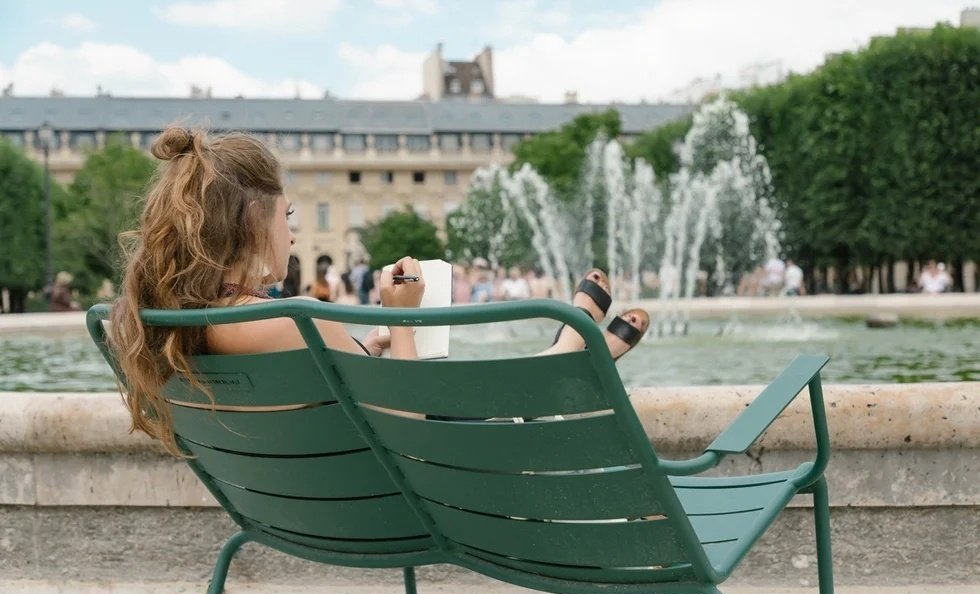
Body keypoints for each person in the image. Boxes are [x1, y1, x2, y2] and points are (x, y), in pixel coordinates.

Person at [108, 127, 648, 456]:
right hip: (420, 490)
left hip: (306, 504)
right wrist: (404, 320)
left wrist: (372, 346)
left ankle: (565, 355)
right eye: (287, 214)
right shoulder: (296, 318)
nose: (292, 232)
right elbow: (409, 425)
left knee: (455, 390)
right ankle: (568, 353)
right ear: (253, 222)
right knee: (476, 405)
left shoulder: (167, 321)